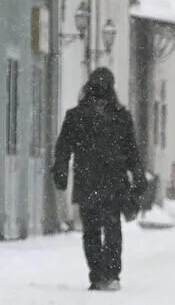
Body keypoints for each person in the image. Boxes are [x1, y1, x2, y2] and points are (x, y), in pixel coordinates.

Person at [51, 68, 146, 292]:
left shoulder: (76, 116)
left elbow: (63, 148)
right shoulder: (121, 117)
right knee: (111, 228)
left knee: (92, 230)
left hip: (89, 181)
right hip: (112, 181)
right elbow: (132, 153)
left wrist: (61, 170)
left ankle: (98, 274)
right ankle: (110, 274)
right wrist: (138, 175)